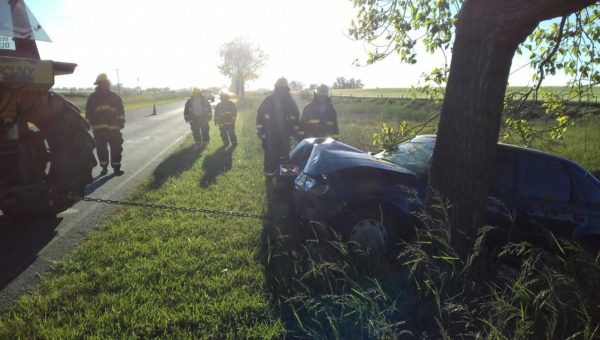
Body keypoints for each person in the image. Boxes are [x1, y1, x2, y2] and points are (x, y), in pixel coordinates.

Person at [256, 77, 301, 176]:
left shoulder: (290, 102)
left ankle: (285, 178)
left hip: (285, 135)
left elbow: (296, 117)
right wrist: (260, 131)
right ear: (276, 88)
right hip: (270, 135)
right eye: (279, 88)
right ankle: (269, 174)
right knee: (269, 154)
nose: (281, 90)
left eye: (283, 88)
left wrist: (295, 132)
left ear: (286, 89)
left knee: (285, 155)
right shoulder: (268, 100)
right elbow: (260, 115)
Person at [85, 73, 125, 176]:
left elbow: (121, 111)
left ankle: (116, 168)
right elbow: (88, 112)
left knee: (116, 149)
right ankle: (104, 168)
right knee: (101, 150)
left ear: (108, 84)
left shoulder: (115, 97)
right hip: (99, 131)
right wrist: (88, 124)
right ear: (97, 84)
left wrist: (121, 122)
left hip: (114, 130)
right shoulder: (92, 98)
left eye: (105, 83)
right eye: (101, 83)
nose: (103, 85)